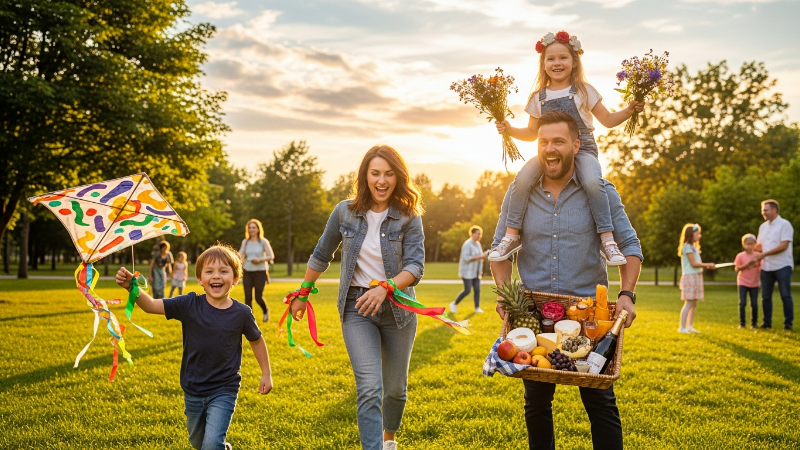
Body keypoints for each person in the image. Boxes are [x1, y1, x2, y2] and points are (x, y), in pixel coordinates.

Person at [490, 111, 642, 450]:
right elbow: (498, 250)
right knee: (537, 404)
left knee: (600, 404)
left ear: (576, 145)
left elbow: (630, 246)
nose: (550, 149)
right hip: (535, 317)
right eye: (544, 142)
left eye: (558, 141)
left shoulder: (600, 192)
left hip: (589, 319)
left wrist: (627, 294)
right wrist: (504, 294)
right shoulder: (520, 194)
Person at [289, 145, 425, 450]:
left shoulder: (408, 217)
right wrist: (302, 293)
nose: (382, 180)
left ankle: (389, 439)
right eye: (375, 173)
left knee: (395, 390)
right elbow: (322, 254)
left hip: (398, 309)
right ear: (365, 175)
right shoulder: (345, 212)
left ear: (398, 177)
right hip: (357, 307)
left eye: (389, 174)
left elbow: (416, 267)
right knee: (369, 387)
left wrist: (386, 287)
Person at [490, 30, 644, 267]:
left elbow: (608, 120)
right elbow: (532, 134)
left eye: (563, 58)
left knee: (593, 182)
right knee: (521, 181)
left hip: (583, 150)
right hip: (549, 152)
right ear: (543, 64)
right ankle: (511, 235)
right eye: (550, 59)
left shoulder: (584, 91)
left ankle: (607, 239)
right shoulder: (537, 98)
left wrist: (631, 110)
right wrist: (509, 129)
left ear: (574, 63)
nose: (557, 63)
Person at [115, 244, 273, 450]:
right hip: (193, 387)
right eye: (209, 271)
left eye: (224, 271)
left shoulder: (241, 313)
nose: (216, 276)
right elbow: (151, 305)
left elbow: (257, 340)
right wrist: (131, 287)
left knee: (210, 444)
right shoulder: (189, 304)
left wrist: (266, 373)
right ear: (200, 279)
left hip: (224, 388)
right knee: (197, 442)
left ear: (235, 279)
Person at [754, 199, 794, 331]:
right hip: (766, 267)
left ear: (774, 210)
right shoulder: (763, 227)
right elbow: (759, 246)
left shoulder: (785, 225)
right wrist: (749, 250)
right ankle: (767, 323)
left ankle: (788, 323)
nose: (763, 212)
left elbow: (784, 245)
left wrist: (764, 254)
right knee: (765, 296)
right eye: (762, 210)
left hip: (783, 265)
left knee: (785, 295)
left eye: (765, 210)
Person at [678, 223, 716, 334]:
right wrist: (708, 265)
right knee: (688, 302)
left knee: (694, 303)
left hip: (696, 276)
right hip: (690, 277)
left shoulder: (693, 247)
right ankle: (682, 327)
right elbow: (694, 264)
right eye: (697, 233)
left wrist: (707, 265)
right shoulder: (687, 247)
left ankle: (689, 326)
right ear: (691, 234)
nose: (700, 235)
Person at [239, 219, 275, 322]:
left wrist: (260, 259)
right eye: (249, 228)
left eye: (254, 227)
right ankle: (250, 320)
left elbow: (271, 256)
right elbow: (240, 255)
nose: (251, 229)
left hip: (260, 271)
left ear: (258, 229)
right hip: (247, 271)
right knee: (248, 298)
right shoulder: (245, 242)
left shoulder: (263, 241)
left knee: (258, 297)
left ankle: (265, 311)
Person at [449, 225, 487, 313]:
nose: (479, 236)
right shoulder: (467, 244)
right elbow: (466, 258)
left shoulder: (478, 244)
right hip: (467, 272)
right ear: (472, 234)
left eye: (480, 234)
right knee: (467, 290)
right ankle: (454, 304)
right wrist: (481, 256)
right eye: (477, 234)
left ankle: (477, 308)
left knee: (477, 290)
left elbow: (480, 256)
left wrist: (484, 257)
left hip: (476, 272)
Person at [734, 234, 761, 329]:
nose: (750, 246)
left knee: (754, 303)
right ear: (743, 245)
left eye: (752, 244)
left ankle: (754, 324)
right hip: (743, 282)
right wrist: (748, 263)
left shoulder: (758, 256)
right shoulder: (740, 256)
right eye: (747, 244)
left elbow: (762, 268)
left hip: (754, 283)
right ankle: (742, 324)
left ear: (755, 244)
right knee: (742, 303)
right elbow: (737, 268)